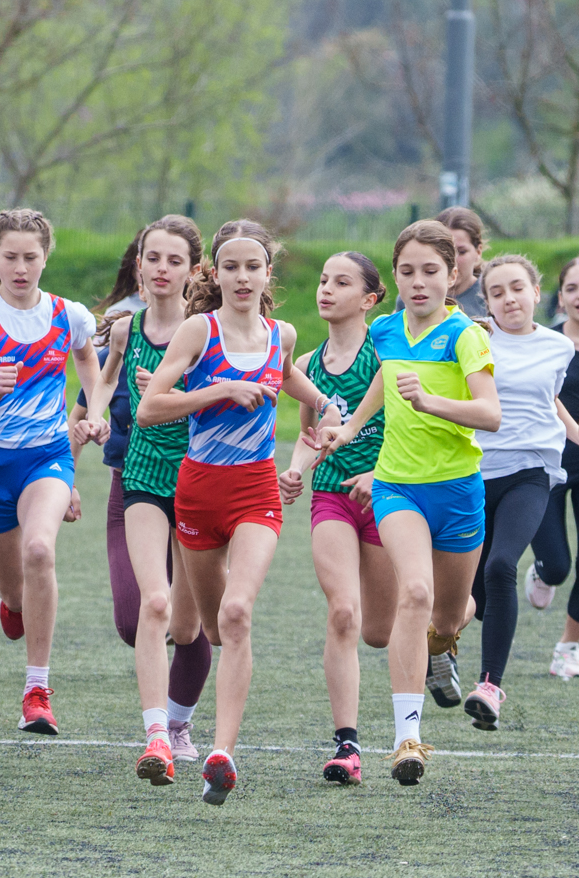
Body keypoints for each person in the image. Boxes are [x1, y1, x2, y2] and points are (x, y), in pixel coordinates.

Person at [135, 220, 334, 803]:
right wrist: (221, 390)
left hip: (256, 490)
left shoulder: (283, 334)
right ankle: (179, 723)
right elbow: (150, 408)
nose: (242, 277)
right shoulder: (199, 331)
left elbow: (288, 376)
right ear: (214, 274)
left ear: (268, 274)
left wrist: (328, 405)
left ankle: (221, 754)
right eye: (231, 267)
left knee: (238, 614)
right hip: (198, 492)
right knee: (207, 629)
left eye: (253, 267)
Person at [315, 220, 499, 784]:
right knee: (414, 593)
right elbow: (384, 383)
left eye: (430, 271)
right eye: (407, 271)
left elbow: (490, 414)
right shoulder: (386, 330)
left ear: (453, 275)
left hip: (458, 491)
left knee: (446, 616)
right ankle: (407, 740)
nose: (419, 282)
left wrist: (433, 401)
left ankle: (444, 645)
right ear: (395, 278)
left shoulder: (465, 336)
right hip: (397, 486)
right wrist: (349, 428)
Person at [0, 207, 106, 736]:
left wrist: (94, 412)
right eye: (10, 257)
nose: (20, 267)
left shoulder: (68, 314)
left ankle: (37, 692)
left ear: (45, 257)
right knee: (13, 596)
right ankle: (13, 603)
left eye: (31, 257)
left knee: (39, 550)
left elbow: (89, 360)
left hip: (46, 456)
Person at [88, 217, 212, 787]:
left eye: (174, 260)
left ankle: (179, 724)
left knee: (188, 627)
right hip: (138, 479)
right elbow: (103, 383)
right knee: (143, 610)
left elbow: (230, 400)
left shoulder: (207, 333)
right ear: (138, 266)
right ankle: (156, 735)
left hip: (199, 483)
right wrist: (92, 417)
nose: (161, 269)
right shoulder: (124, 329)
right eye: (152, 258)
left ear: (193, 271)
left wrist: (175, 395)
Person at [279, 251, 396, 784]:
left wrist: (379, 473)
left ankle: (445, 624)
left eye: (341, 282)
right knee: (343, 613)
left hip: (389, 496)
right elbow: (311, 436)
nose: (326, 289)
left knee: (379, 633)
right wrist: (295, 470)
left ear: (369, 299)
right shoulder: (307, 365)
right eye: (324, 279)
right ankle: (347, 745)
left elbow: (411, 430)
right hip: (331, 496)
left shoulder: (387, 353)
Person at [462, 253, 574, 729]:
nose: (509, 299)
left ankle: (489, 687)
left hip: (531, 471)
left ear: (536, 292)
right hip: (472, 473)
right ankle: (441, 648)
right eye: (497, 292)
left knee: (501, 565)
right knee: (472, 597)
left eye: (517, 288)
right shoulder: (471, 339)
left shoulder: (559, 346)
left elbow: (548, 399)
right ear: (486, 302)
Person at [527, 254, 579, 678]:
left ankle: (567, 648)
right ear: (560, 297)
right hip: (546, 462)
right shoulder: (546, 344)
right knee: (558, 565)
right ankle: (542, 572)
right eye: (572, 288)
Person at [437, 205, 490, 320]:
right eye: (444, 251)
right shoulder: (416, 295)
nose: (452, 260)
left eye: (461, 252)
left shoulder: (491, 297)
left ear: (478, 251)